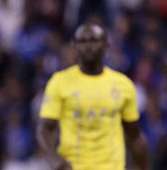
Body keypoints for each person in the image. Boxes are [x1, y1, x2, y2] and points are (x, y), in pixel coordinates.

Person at [36, 23, 150, 170]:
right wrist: (55, 159)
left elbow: (134, 136)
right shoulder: (59, 82)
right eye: (82, 41)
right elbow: (45, 129)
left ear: (106, 44)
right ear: (75, 45)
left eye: (93, 40)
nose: (88, 46)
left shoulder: (123, 85)